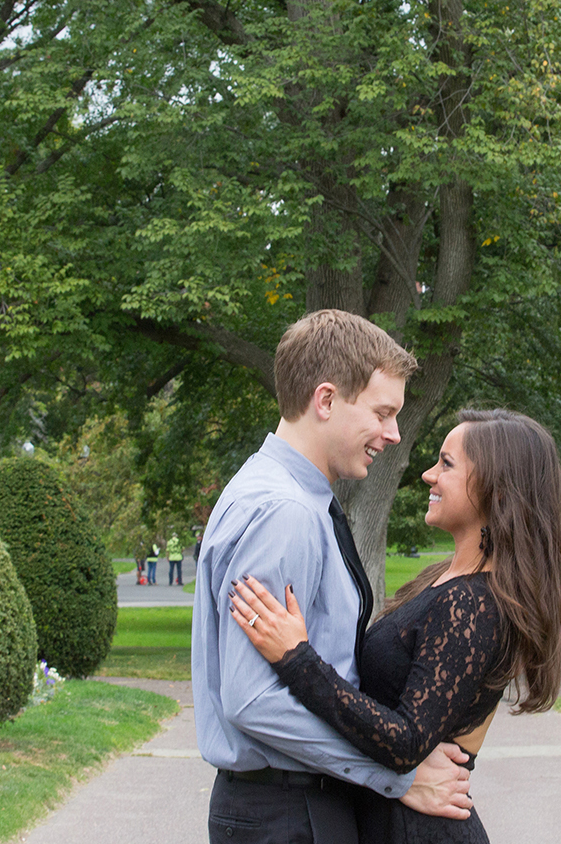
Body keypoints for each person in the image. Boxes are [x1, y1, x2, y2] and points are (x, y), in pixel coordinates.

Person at [229, 409, 561, 842]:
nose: (428, 475)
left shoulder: (472, 604)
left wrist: (297, 659)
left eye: (447, 464)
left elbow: (406, 741)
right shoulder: (442, 580)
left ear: (498, 492)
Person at [193, 309, 474, 844]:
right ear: (325, 401)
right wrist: (396, 775)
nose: (394, 434)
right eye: (383, 412)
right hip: (290, 814)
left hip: (294, 807)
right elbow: (252, 699)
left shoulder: (283, 493)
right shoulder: (285, 512)